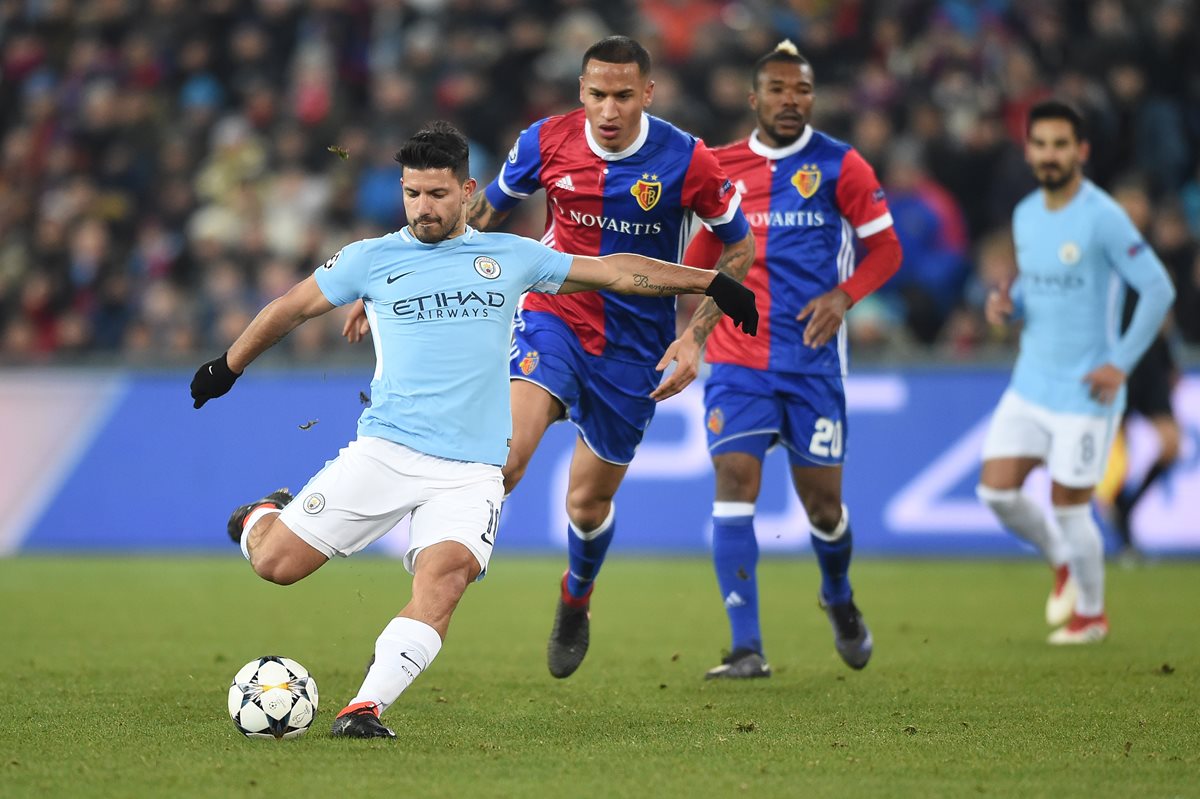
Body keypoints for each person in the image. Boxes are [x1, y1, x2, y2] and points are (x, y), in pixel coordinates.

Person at [189, 121, 758, 739]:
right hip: (385, 451)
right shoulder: (369, 259)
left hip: (471, 471)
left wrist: (711, 282)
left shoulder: (510, 257)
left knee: (446, 580)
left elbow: (616, 271)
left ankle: (364, 708)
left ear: (467, 191)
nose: (422, 208)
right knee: (276, 565)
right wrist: (227, 366)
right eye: (412, 194)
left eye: (436, 194)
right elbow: (290, 308)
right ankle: (261, 515)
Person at [456, 35, 754, 679]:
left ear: (648, 93)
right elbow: (480, 217)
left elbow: (739, 247)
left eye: (624, 96)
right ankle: (443, 569)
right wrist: (402, 279)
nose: (609, 110)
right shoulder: (546, 141)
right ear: (581, 92)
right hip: (553, 316)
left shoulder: (687, 159)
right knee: (508, 459)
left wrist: (694, 337)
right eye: (597, 95)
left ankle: (576, 595)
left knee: (585, 506)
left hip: (634, 351)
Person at [682, 41, 903, 678]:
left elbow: (887, 250)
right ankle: (746, 647)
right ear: (754, 98)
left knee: (824, 509)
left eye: (801, 89)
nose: (790, 100)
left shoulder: (841, 165)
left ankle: (837, 593)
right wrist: (687, 318)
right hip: (738, 360)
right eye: (778, 89)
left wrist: (844, 296)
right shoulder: (723, 167)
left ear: (813, 97)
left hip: (812, 364)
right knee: (734, 481)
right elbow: (702, 257)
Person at [978, 100, 1175, 645]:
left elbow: (1158, 289)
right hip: (1030, 381)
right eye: (1041, 144)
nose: (1050, 155)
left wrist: (1120, 364)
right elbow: (1035, 284)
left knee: (1070, 507)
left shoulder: (1103, 216)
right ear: (1028, 150)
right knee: (996, 493)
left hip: (1086, 392)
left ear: (1081, 151)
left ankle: (1091, 615)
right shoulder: (1025, 214)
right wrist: (1008, 307)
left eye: (1060, 145)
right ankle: (1061, 560)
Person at [1104, 183, 1182, 561]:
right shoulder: (1102, 259)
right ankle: (1125, 536)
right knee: (1114, 459)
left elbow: (1164, 320)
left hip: (1149, 364)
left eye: (1139, 210)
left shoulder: (1154, 258)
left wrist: (1170, 363)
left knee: (1171, 443)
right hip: (1114, 364)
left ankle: (1128, 508)